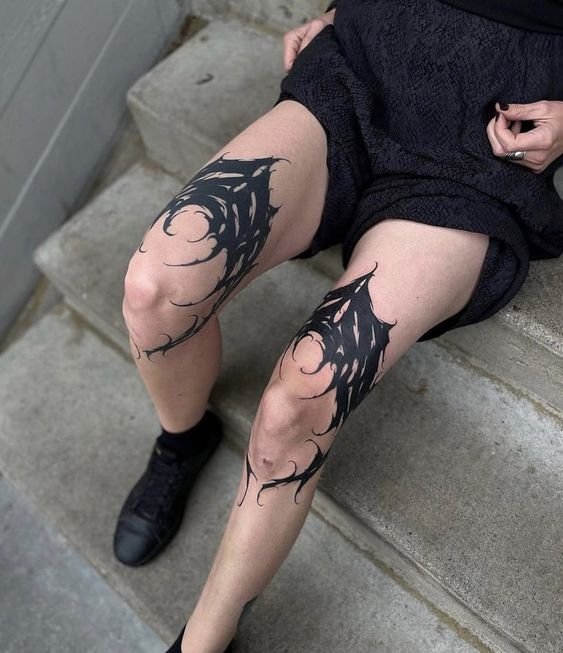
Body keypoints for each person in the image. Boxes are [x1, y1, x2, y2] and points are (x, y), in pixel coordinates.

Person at [112, 0, 563, 650]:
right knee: (155, 287)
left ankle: (205, 639)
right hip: (361, 61)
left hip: (488, 132)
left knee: (300, 399)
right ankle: (182, 440)